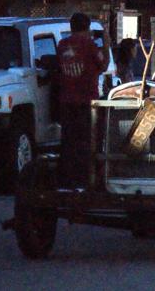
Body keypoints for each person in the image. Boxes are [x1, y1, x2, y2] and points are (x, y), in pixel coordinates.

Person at [56, 12, 109, 188]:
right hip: (87, 102)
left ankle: (66, 180)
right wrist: (106, 44)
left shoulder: (62, 45)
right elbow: (104, 65)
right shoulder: (89, 45)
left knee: (68, 142)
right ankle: (86, 179)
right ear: (87, 28)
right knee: (89, 142)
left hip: (66, 101)